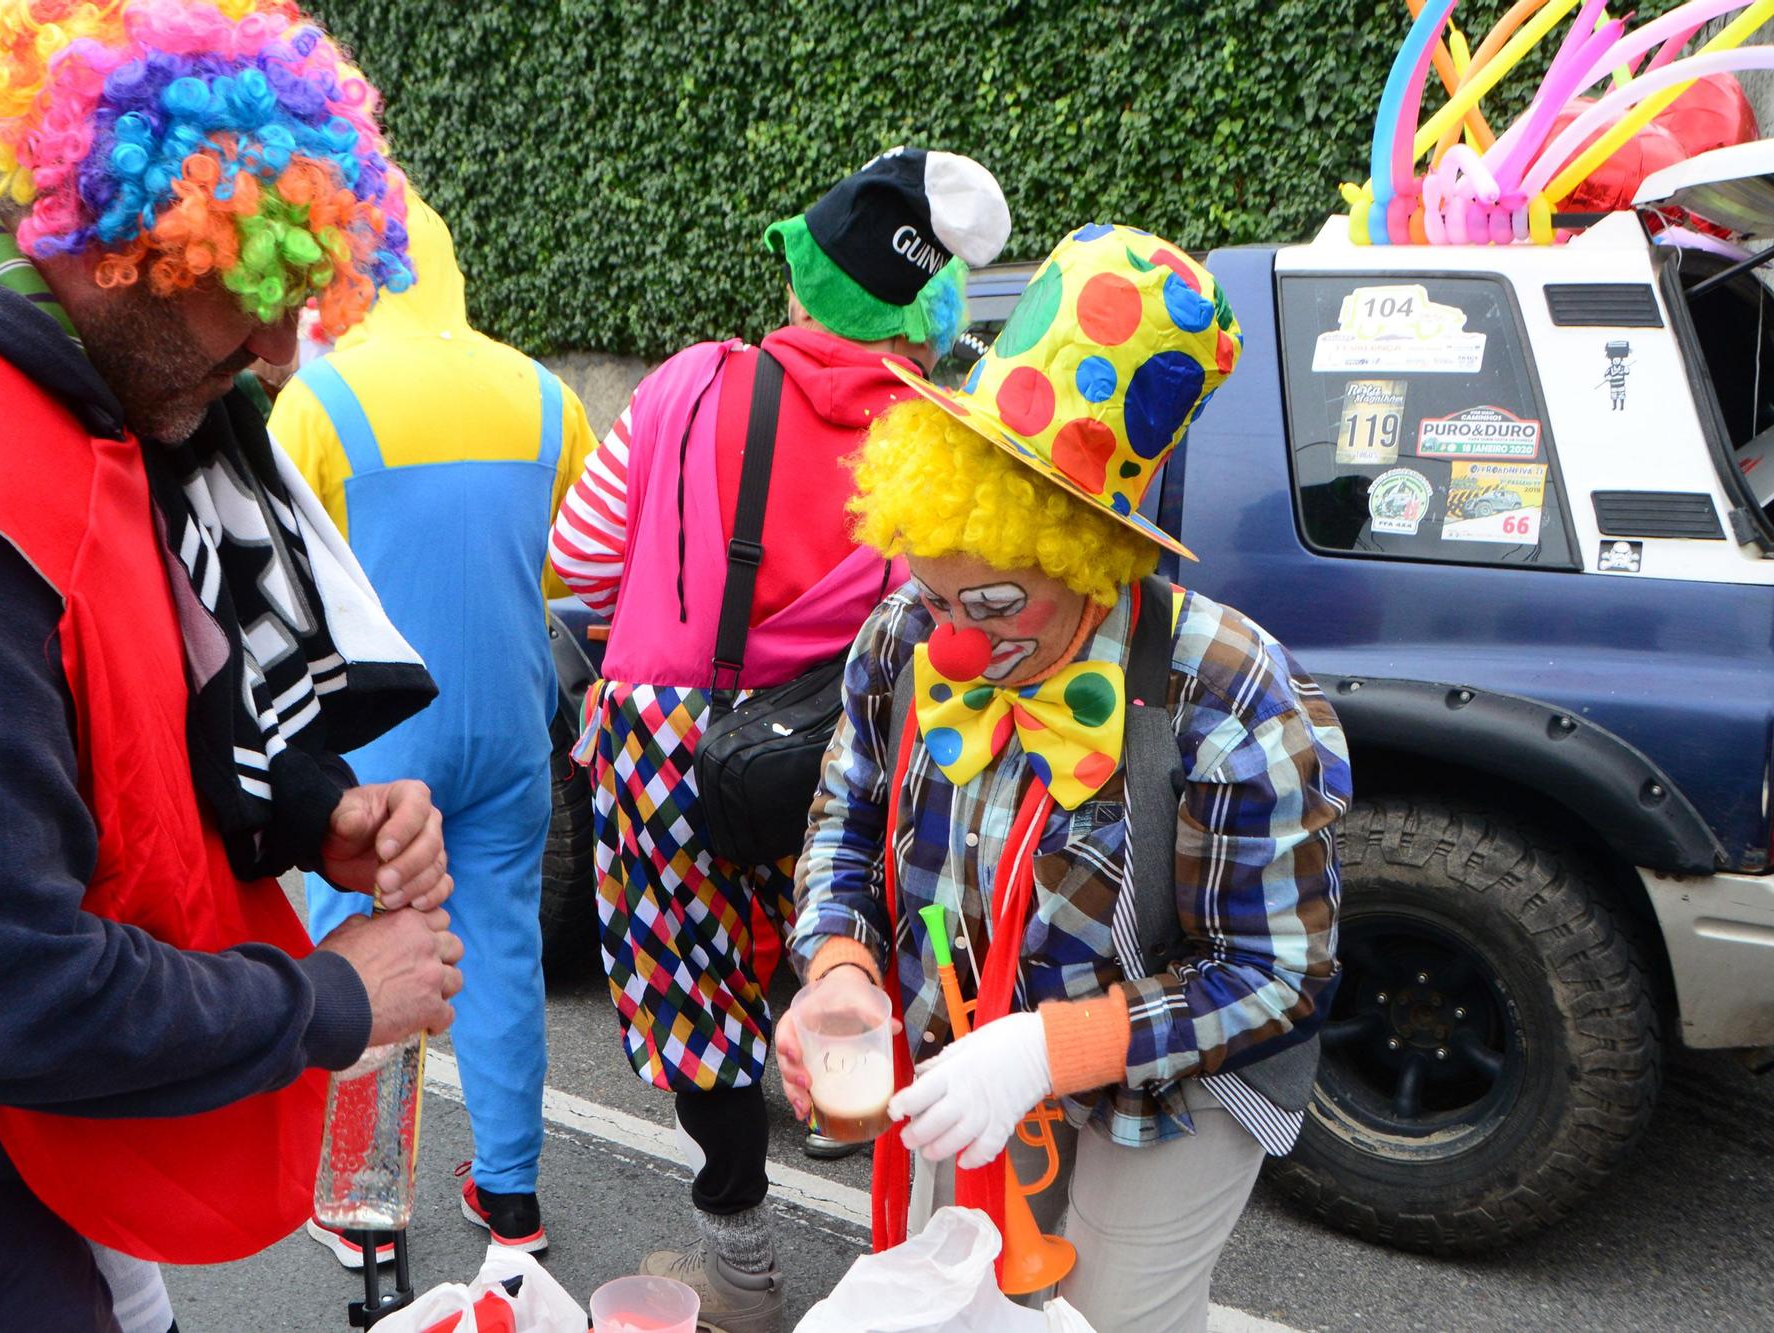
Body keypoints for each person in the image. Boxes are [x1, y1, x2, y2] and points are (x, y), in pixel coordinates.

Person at [0, 2, 462, 1326]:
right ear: (117, 237)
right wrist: (329, 999)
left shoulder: (1, 355)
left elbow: (84, 695)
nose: (277, 350)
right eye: (250, 291)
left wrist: (310, 807)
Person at [776, 225, 1350, 1331]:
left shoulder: (1232, 692)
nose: (948, 638)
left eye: (993, 607)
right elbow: (841, 824)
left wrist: (1049, 1047)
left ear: (1089, 557)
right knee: (954, 1297)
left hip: (1174, 1092)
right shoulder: (901, 639)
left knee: (1109, 1318)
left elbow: (1280, 974)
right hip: (957, 1049)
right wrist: (838, 966)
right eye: (935, 595)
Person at [549, 147, 1009, 1331]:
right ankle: (891, 1229)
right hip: (851, 748)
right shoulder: (943, 432)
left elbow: (583, 559)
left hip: (663, 743)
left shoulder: (690, 383)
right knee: (844, 959)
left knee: (694, 1001)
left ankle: (744, 1275)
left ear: (804, 275)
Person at [274, 189, 597, 1261]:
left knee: (356, 947)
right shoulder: (545, 395)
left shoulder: (318, 400)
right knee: (500, 946)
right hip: (510, 717)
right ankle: (509, 1200)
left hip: (374, 734)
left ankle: (360, 1206)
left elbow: (274, 579)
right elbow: (566, 567)